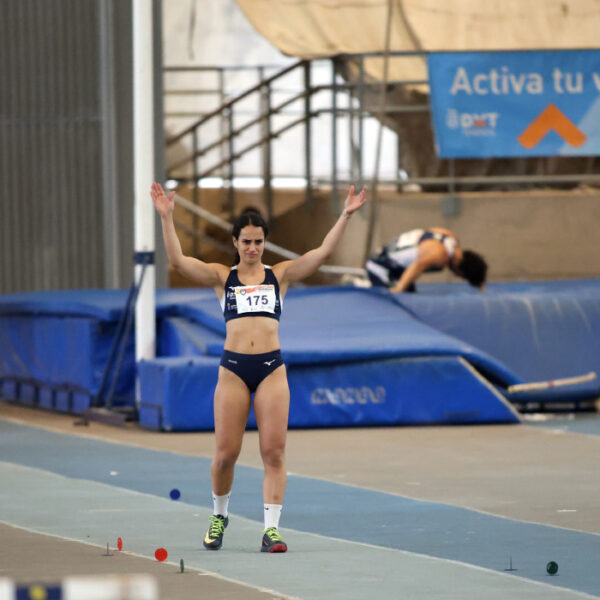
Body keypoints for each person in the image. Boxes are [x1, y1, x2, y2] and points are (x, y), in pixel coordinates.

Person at [150, 182, 367, 553]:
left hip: (271, 369)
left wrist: (345, 214)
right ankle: (219, 515)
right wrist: (167, 218)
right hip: (233, 370)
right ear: (235, 243)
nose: (252, 248)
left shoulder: (279, 275)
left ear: (265, 243)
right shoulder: (223, 277)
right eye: (246, 241)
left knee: (274, 452)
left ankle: (271, 530)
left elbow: (321, 252)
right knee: (225, 454)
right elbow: (178, 263)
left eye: (258, 242)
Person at [365, 227, 487, 292]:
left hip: (388, 258)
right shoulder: (441, 256)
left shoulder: (450, 236)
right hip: (379, 266)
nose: (455, 275)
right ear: (461, 271)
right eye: (460, 276)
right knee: (401, 294)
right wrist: (399, 289)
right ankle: (363, 284)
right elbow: (416, 266)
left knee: (408, 287)